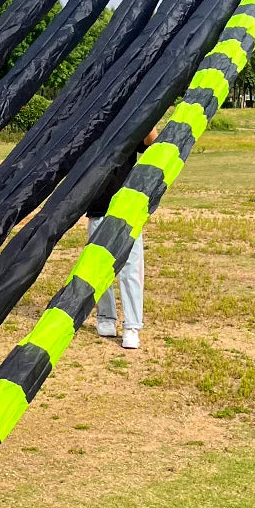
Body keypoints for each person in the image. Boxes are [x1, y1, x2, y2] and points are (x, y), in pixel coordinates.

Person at [85, 128, 157, 350]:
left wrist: (151, 117)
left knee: (130, 269)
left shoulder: (132, 118)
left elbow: (152, 144)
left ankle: (132, 327)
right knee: (99, 269)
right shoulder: (91, 125)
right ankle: (106, 318)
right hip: (97, 207)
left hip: (127, 206)